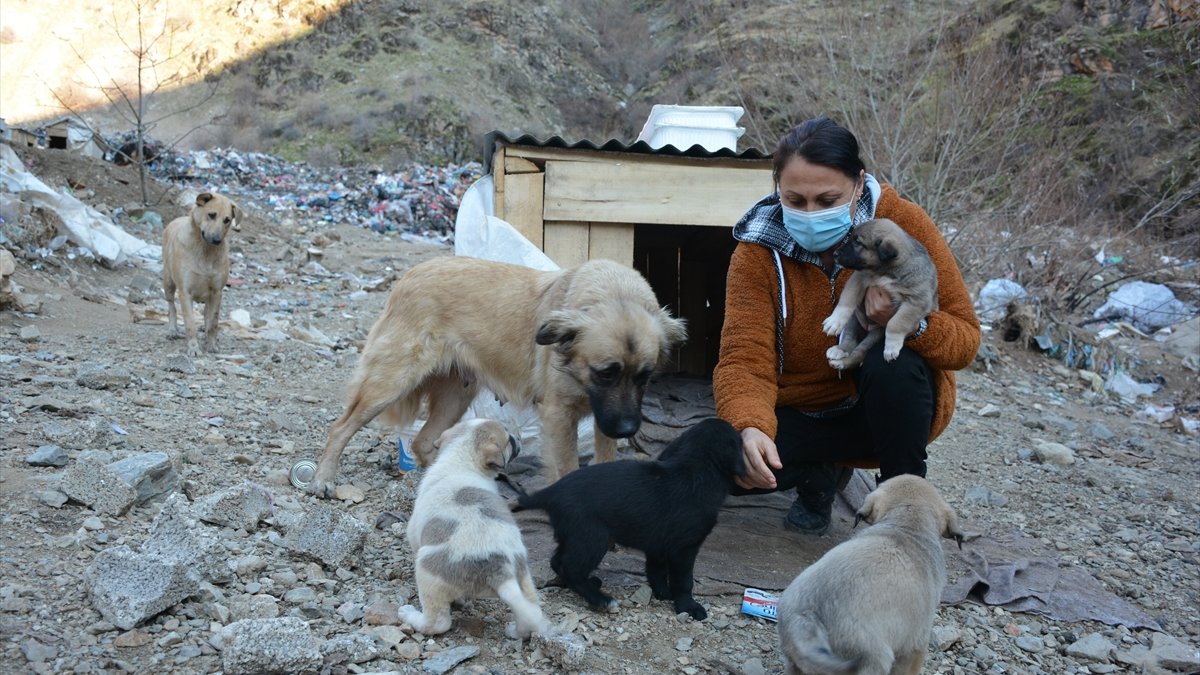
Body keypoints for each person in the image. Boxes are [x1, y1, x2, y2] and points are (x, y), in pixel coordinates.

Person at [712, 116, 980, 536]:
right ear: (777, 190)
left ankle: (903, 508)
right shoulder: (756, 252)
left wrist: (910, 325)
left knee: (893, 367)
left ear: (858, 184)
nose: (810, 213)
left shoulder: (902, 225)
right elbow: (743, 359)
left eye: (826, 199)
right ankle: (818, 476)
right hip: (803, 410)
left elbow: (966, 342)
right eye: (795, 200)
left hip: (887, 412)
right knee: (721, 464)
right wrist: (749, 428)